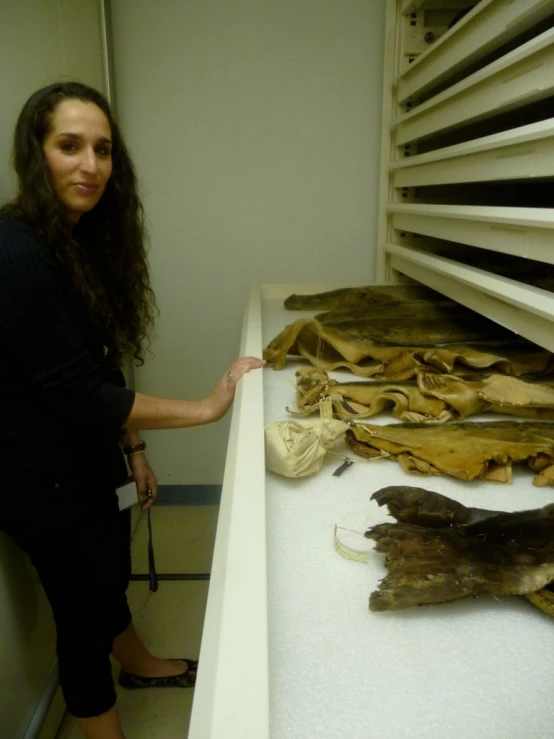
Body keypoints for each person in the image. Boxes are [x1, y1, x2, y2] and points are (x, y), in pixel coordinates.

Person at [0, 81, 264, 739]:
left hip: (88, 457)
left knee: (108, 572)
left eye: (103, 149)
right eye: (69, 146)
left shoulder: (74, 239)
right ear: (35, 153)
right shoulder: (16, 251)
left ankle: (141, 662)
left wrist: (135, 447)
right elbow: (78, 393)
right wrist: (207, 407)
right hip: (39, 480)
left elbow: (101, 364)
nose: (90, 165)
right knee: (83, 620)